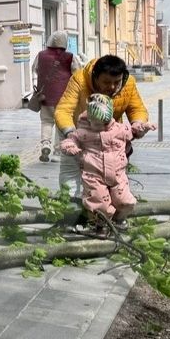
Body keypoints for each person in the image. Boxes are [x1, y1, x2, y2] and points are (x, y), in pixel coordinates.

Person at [53, 55, 154, 200]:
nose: (112, 87)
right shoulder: (79, 79)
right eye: (106, 82)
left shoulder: (129, 83)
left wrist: (138, 124)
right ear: (95, 76)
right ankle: (71, 208)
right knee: (72, 171)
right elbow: (63, 110)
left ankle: (111, 211)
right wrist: (71, 134)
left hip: (109, 135)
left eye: (116, 82)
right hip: (75, 131)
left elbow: (136, 108)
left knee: (113, 173)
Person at [60, 93, 148, 231]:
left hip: (118, 174)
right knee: (98, 203)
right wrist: (69, 146)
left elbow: (133, 131)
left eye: (104, 123)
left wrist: (142, 128)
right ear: (89, 119)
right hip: (93, 175)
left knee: (125, 200)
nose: (99, 126)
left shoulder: (119, 129)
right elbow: (70, 139)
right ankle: (99, 224)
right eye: (95, 123)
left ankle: (119, 219)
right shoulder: (83, 133)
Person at [32, 30, 82, 162]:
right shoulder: (70, 57)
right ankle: (58, 150)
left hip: (45, 96)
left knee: (46, 121)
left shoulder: (40, 55)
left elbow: (36, 69)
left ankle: (45, 144)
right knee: (61, 123)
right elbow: (78, 74)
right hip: (64, 97)